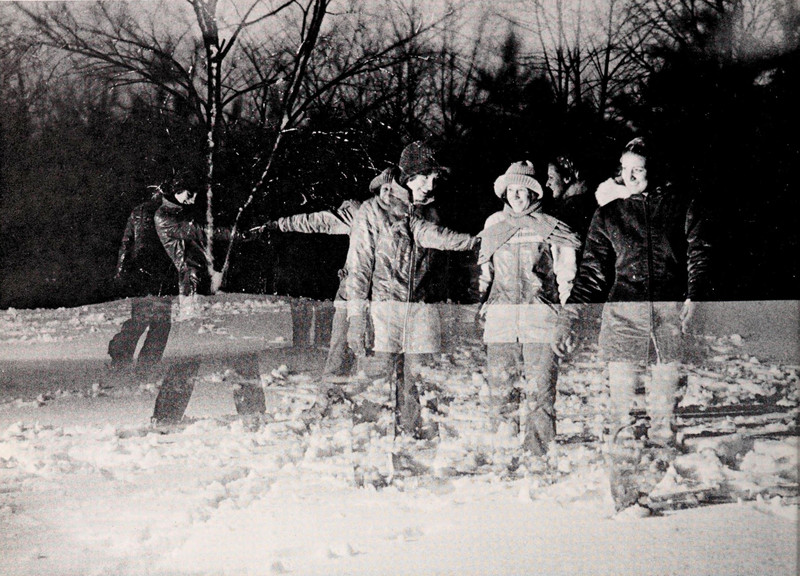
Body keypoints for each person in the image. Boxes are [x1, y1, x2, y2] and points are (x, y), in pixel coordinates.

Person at [555, 137, 712, 451]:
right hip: (623, 317)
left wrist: (695, 297)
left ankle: (663, 453)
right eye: (624, 169)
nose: (630, 176)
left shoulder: (682, 207)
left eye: (638, 169)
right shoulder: (608, 215)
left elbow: (700, 255)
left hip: (669, 316)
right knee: (623, 401)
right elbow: (592, 274)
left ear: (654, 169)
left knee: (665, 401)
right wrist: (569, 317)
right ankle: (624, 456)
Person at [345, 142, 480, 439]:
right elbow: (359, 268)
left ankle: (417, 449)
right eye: (424, 177)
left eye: (435, 178)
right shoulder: (373, 211)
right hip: (383, 311)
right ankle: (369, 452)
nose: (430, 185)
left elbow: (447, 259)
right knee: (375, 384)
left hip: (422, 311)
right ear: (408, 176)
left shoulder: (434, 212)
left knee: (421, 383)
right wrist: (356, 317)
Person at [476, 161, 581, 459]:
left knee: (540, 390)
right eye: (512, 190)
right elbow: (483, 273)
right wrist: (480, 305)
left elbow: (566, 275)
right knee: (501, 389)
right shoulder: (494, 224)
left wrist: (565, 316)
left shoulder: (551, 226)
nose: (517, 196)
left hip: (541, 319)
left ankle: (539, 453)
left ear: (534, 193)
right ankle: (504, 451)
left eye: (523, 190)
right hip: (502, 320)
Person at [150, 175, 267, 426]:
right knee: (189, 358)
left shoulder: (186, 211)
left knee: (238, 349)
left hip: (211, 290)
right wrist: (241, 234)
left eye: (196, 193)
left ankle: (253, 413)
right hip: (194, 292)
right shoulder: (165, 216)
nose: (193, 198)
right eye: (188, 193)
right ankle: (165, 418)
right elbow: (204, 231)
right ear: (175, 190)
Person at [256, 171, 393, 379]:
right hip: (352, 292)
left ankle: (375, 393)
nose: (389, 195)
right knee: (340, 345)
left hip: (386, 297)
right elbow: (319, 221)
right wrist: (281, 224)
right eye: (385, 189)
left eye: (394, 190)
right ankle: (332, 389)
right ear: (377, 192)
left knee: (380, 357)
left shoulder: (410, 220)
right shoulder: (359, 214)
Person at [107, 186, 177, 373]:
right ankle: (147, 364)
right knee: (161, 322)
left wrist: (121, 271)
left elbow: (126, 243)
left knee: (141, 318)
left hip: (141, 271)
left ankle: (122, 351)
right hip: (160, 272)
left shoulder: (138, 211)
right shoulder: (168, 212)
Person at [545, 155, 597, 240]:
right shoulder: (590, 203)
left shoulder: (570, 211)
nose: (547, 184)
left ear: (567, 178)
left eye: (551, 177)